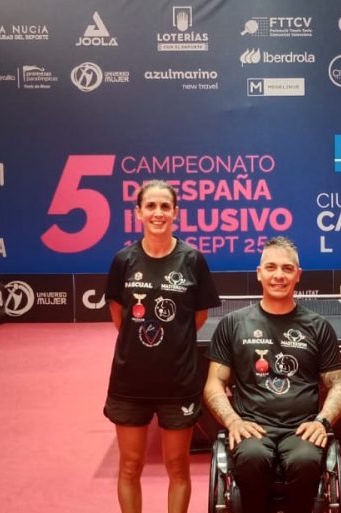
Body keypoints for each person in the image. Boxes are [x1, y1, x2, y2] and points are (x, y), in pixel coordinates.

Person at [204, 236, 341, 513]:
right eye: (271, 267)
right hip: (252, 428)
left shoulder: (318, 327)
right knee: (251, 458)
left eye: (287, 268)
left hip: (301, 429)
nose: (279, 275)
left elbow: (339, 385)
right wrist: (233, 421)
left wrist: (322, 422)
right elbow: (214, 383)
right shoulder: (233, 324)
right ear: (259, 273)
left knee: (306, 461)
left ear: (298, 275)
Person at [103, 180, 221, 513]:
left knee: (177, 466)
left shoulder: (192, 260)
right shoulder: (123, 260)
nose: (158, 213)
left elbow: (197, 317)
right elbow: (120, 316)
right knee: (130, 466)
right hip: (130, 382)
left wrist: (173, 341)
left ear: (176, 213)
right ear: (138, 213)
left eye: (165, 206)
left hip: (178, 382)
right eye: (151, 206)